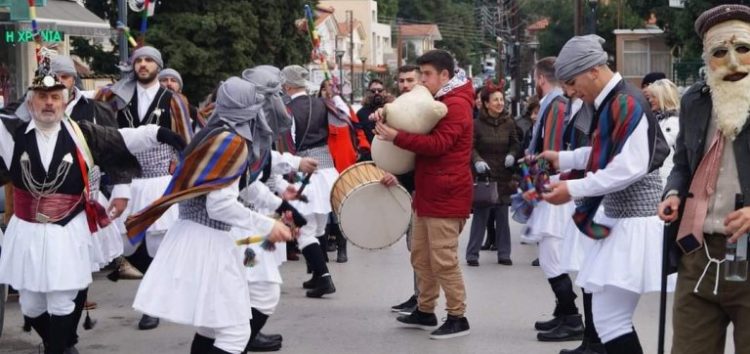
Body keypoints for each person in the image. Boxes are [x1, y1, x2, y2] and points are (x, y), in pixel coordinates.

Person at [0, 70, 185, 354]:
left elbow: (125, 137)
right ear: (30, 102)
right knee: (31, 305)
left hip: (67, 230)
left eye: (54, 97)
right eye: (42, 97)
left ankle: (58, 349)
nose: (48, 103)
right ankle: (57, 345)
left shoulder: (81, 132)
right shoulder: (11, 134)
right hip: (26, 230)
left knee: (62, 301)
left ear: (63, 102)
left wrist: (161, 134)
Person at [127, 77, 293, 354]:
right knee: (235, 332)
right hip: (207, 239)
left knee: (212, 326)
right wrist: (266, 226)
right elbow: (219, 205)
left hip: (196, 236)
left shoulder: (215, 132)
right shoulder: (231, 141)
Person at [541, 34, 669, 354]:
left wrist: (573, 187)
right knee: (610, 317)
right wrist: (567, 160)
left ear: (594, 70)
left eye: (571, 82)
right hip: (624, 220)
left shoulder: (624, 101)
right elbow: (608, 153)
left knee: (610, 318)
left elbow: (629, 167)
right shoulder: (615, 100)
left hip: (632, 221)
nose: (569, 91)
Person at [658, 5, 750, 354]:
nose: (733, 62)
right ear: (706, 57)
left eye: (743, 48)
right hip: (699, 256)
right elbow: (682, 162)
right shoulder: (695, 101)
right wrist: (674, 192)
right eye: (720, 52)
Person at [375, 49, 474, 339]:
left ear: (444, 75)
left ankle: (458, 316)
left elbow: (438, 144)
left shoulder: (456, 104)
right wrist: (389, 114)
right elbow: (413, 120)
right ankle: (425, 309)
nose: (422, 80)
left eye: (427, 75)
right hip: (429, 191)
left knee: (443, 259)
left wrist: (397, 137)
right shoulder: (439, 99)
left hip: (446, 194)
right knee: (421, 257)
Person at [97, 46, 194, 330]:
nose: (142, 65)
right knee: (123, 241)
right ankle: (160, 290)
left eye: (148, 60)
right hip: (128, 179)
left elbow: (184, 136)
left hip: (159, 178)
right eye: (138, 60)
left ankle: (152, 304)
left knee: (158, 243)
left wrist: (182, 165)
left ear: (158, 66)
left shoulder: (172, 99)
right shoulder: (121, 98)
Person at [524, 57, 584, 343]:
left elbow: (555, 150)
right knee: (550, 252)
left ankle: (571, 316)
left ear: (540, 78)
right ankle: (564, 313)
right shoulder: (557, 103)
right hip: (555, 181)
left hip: (555, 183)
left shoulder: (556, 105)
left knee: (551, 255)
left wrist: (538, 175)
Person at [280, 65, 338, 298]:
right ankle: (316, 275)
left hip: (305, 172)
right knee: (320, 227)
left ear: (288, 85)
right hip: (327, 170)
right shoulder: (322, 104)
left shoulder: (287, 110)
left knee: (303, 230)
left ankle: (323, 278)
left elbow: (290, 145)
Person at [465, 83, 519, 267]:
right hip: (484, 176)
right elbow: (470, 147)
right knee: (481, 215)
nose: (499, 103)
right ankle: (472, 254)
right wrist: (478, 160)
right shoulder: (476, 124)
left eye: (501, 99)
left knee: (502, 216)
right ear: (486, 103)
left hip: (503, 175)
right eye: (495, 100)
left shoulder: (509, 122)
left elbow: (515, 143)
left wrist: (512, 154)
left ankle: (504, 253)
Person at [386, 64, 423, 316]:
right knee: (415, 249)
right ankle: (419, 297)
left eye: (411, 80)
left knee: (422, 251)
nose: (406, 85)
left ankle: (424, 301)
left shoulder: (423, 111)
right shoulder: (397, 109)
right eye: (402, 81)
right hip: (406, 188)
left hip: (423, 189)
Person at [644, 78, 680, 185]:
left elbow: (657, 147)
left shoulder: (672, 121)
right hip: (658, 176)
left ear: (663, 97)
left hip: (665, 179)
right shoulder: (658, 118)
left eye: (653, 97)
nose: (650, 100)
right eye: (649, 97)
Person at [357, 79, 392, 143]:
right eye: (373, 91)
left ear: (385, 92)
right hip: (369, 150)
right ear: (368, 93)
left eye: (380, 90)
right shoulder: (361, 113)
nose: (376, 93)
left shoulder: (392, 109)